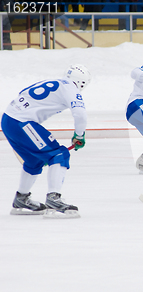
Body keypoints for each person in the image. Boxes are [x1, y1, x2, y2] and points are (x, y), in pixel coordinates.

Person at [1, 64, 91, 218]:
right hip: (22, 123)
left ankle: (22, 198)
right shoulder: (70, 88)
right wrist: (79, 135)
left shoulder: (55, 82)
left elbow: (22, 94)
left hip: (8, 119)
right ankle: (53, 198)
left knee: (34, 161)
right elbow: (80, 114)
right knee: (58, 155)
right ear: (81, 82)